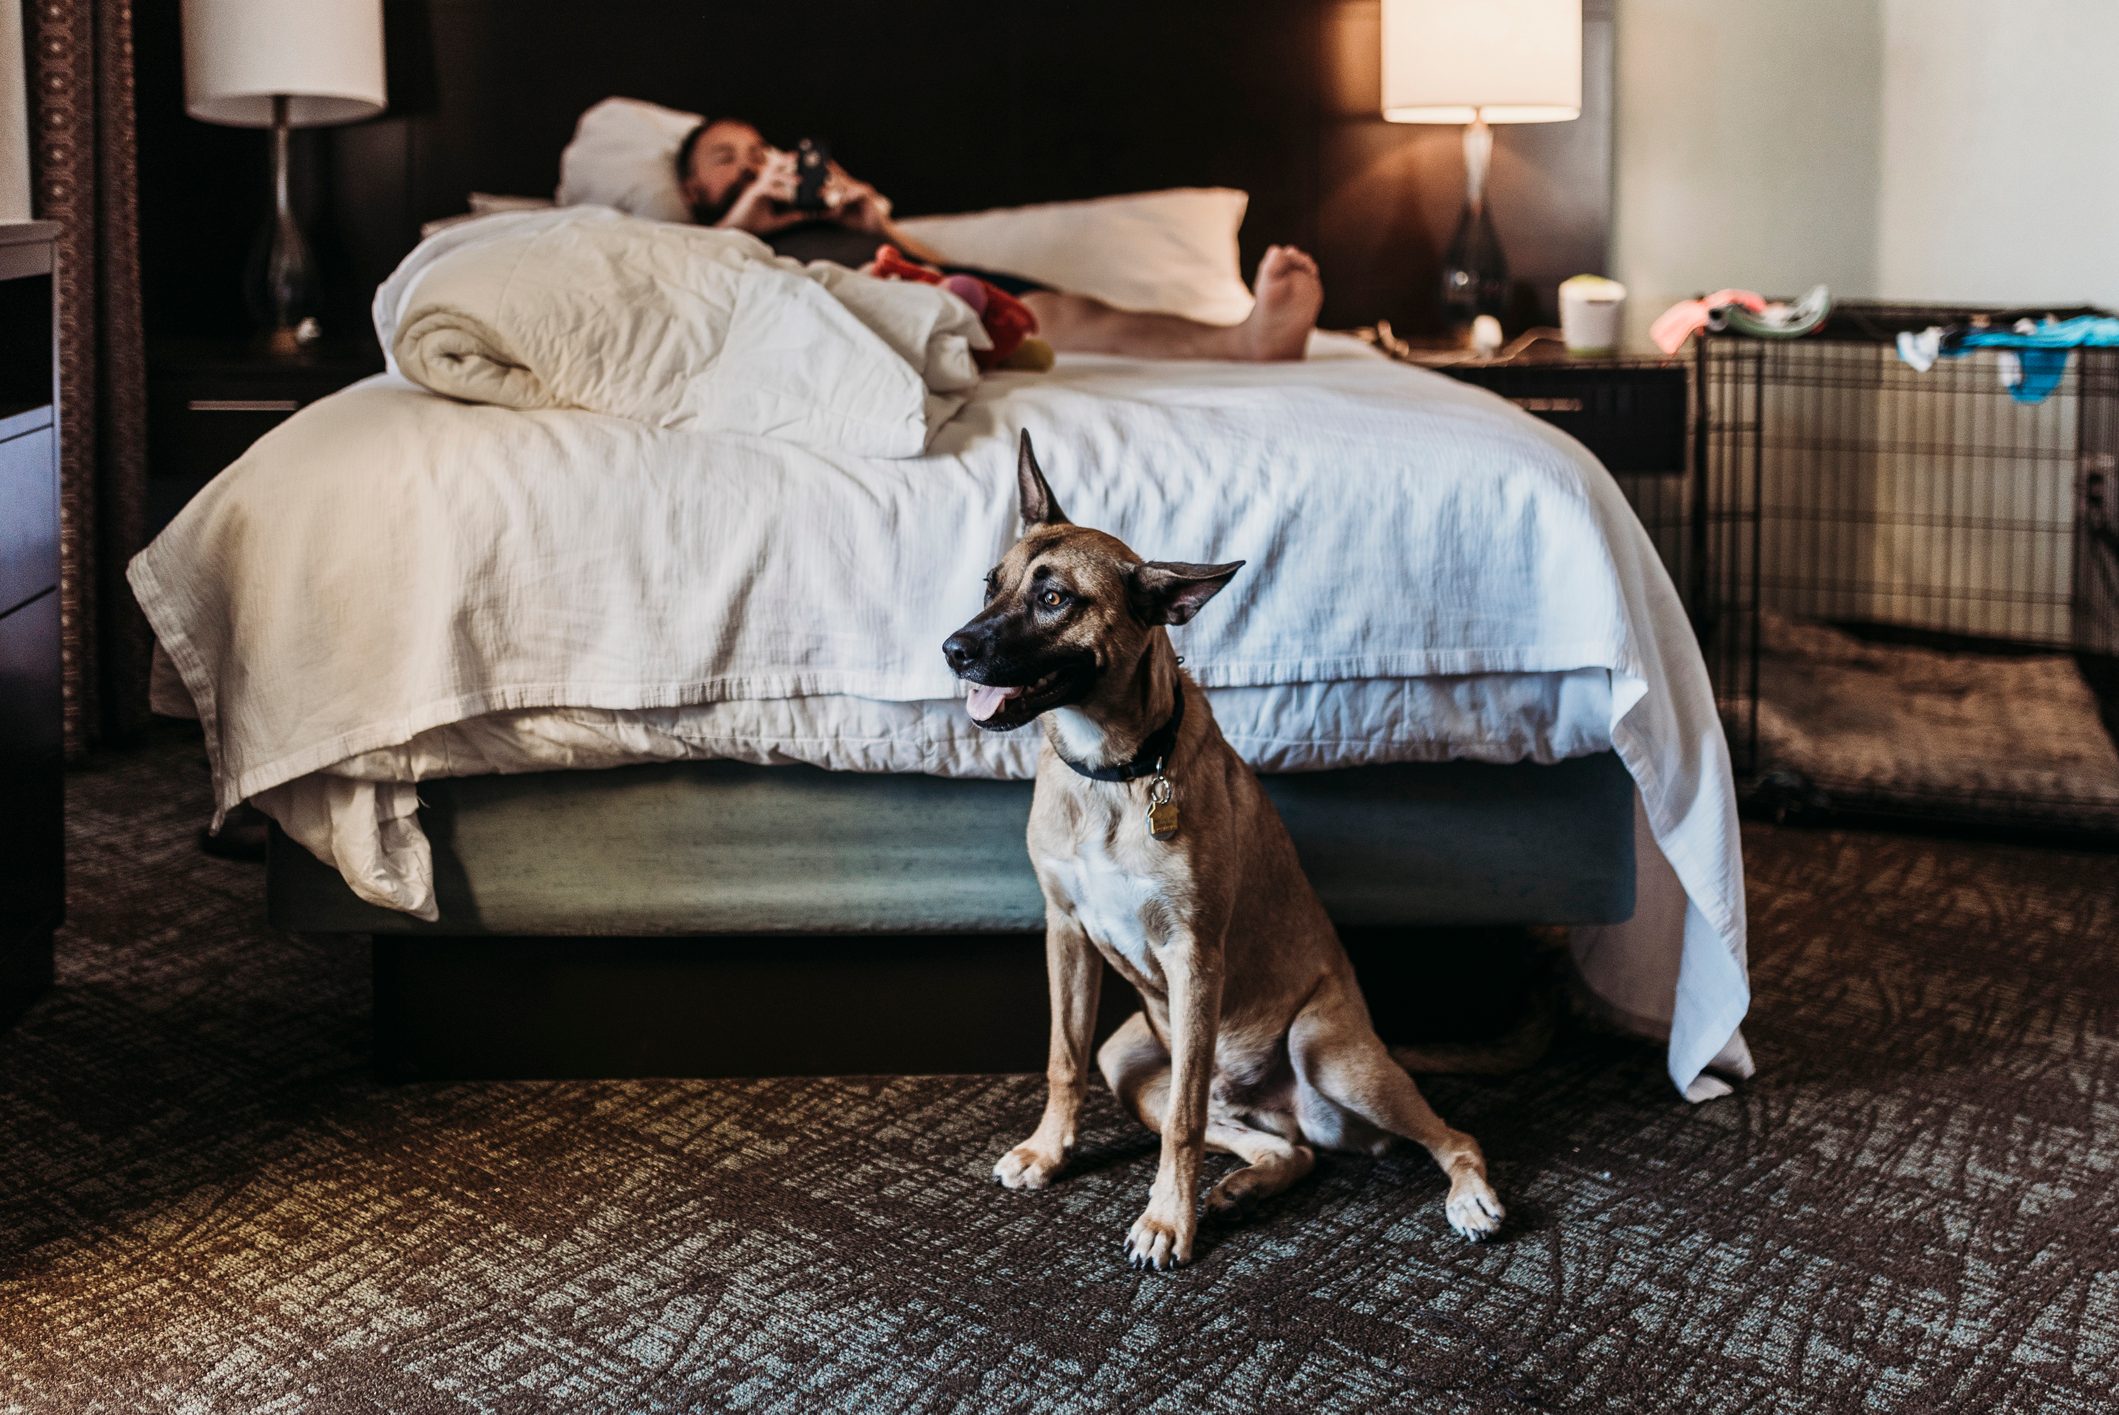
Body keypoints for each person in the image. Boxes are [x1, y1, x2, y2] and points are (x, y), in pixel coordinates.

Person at [675, 118, 1323, 362]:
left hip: (913, 280)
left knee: (1060, 313)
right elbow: (692, 292)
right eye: (727, 158)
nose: (754, 164)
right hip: (832, 305)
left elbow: (936, 271)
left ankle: (1243, 340)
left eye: (761, 150)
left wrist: (875, 228)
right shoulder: (687, 238)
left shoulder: (828, 219)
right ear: (694, 189)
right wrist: (747, 218)